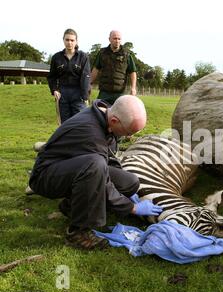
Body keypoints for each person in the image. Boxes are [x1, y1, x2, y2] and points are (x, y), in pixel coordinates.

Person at [29, 95, 163, 250]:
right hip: (46, 176)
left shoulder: (106, 118)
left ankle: (72, 207)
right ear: (114, 121)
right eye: (128, 132)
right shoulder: (90, 132)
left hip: (73, 167)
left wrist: (126, 190)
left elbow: (110, 159)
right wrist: (132, 208)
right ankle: (78, 233)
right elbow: (103, 180)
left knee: (129, 182)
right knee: (95, 165)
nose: (129, 137)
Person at [47, 29, 91, 123]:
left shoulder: (83, 57)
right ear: (63, 40)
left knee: (80, 123)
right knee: (65, 124)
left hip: (79, 94)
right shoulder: (56, 57)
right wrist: (54, 89)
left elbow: (86, 77)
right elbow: (52, 76)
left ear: (76, 41)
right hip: (62, 94)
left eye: (72, 40)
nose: (69, 43)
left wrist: (85, 97)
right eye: (67, 40)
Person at [91, 30, 138, 105]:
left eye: (119, 39)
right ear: (109, 39)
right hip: (104, 93)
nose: (117, 41)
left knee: (119, 115)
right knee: (99, 113)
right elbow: (95, 69)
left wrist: (133, 88)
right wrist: (89, 84)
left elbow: (133, 72)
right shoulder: (102, 53)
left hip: (120, 94)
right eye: (115, 38)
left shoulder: (127, 54)